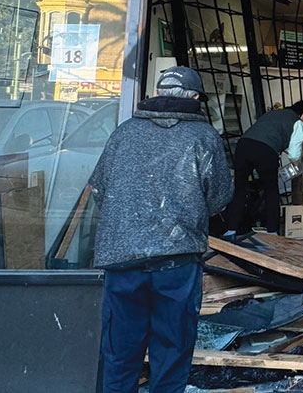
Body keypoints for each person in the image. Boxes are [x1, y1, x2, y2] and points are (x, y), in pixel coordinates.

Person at [90, 65, 233, 393]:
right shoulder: (203, 136)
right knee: (171, 352)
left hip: (123, 260)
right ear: (196, 98)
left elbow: (100, 190)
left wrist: (130, 224)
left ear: (156, 93)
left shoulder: (124, 132)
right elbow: (220, 196)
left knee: (120, 353)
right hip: (176, 262)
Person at [225, 100, 303, 235]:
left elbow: (267, 133)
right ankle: (272, 230)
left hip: (243, 146)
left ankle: (231, 230)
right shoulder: (297, 122)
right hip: (265, 151)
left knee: (240, 189)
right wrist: (297, 164)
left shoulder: (274, 113)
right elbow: (294, 153)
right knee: (271, 191)